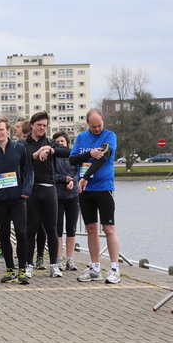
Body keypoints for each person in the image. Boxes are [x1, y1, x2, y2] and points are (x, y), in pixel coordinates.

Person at [69, 109, 121, 284]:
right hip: (86, 191)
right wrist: (89, 154)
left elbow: (103, 159)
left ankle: (114, 269)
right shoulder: (82, 138)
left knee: (108, 229)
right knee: (91, 229)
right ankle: (95, 268)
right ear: (87, 124)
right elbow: (72, 159)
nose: (97, 129)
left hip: (104, 188)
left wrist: (84, 177)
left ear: (103, 122)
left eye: (99, 125)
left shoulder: (110, 136)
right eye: (93, 126)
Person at [0, 117, 33, 284]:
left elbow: (29, 171)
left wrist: (26, 191)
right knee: (4, 235)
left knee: (21, 233)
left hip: (18, 199)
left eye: (1, 129)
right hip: (0, 202)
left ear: (8, 131)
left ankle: (23, 270)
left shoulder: (19, 148)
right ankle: (10, 269)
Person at [23, 111, 70, 278]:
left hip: (49, 189)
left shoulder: (50, 142)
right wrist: (36, 155)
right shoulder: (23, 144)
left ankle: (53, 265)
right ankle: (28, 264)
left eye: (44, 125)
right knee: (31, 229)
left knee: (52, 229)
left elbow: (67, 152)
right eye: (39, 125)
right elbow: (20, 161)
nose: (42, 128)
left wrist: (50, 149)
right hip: (31, 190)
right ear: (32, 126)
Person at [53, 131, 79, 271]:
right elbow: (52, 174)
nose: (60, 143)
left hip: (73, 195)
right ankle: (59, 259)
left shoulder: (72, 155)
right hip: (57, 195)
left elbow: (78, 171)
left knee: (72, 228)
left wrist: (73, 181)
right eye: (57, 141)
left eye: (62, 141)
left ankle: (70, 259)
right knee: (58, 229)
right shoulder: (53, 157)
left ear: (67, 142)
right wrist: (64, 179)